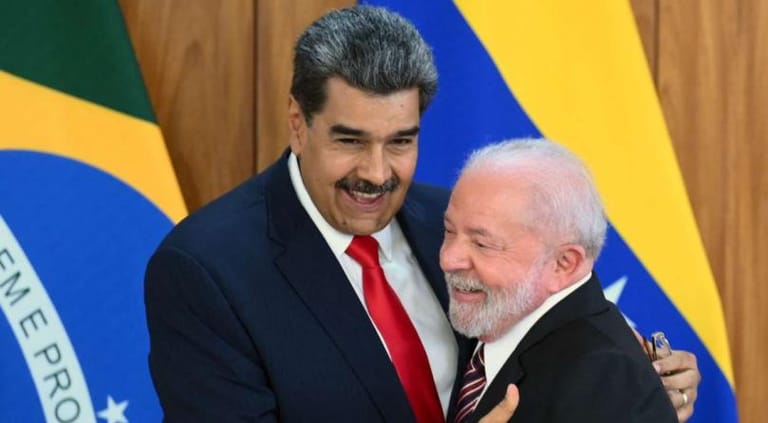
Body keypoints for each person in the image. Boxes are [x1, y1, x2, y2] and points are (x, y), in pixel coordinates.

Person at [144, 6, 699, 422]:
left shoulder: (455, 224)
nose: (376, 173)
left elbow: (563, 336)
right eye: (350, 141)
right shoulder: (205, 270)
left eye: (401, 141)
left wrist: (637, 382)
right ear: (298, 122)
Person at [440, 139, 680, 422]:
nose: (448, 259)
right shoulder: (495, 312)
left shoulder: (608, 387)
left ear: (564, 263)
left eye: (482, 244)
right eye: (449, 231)